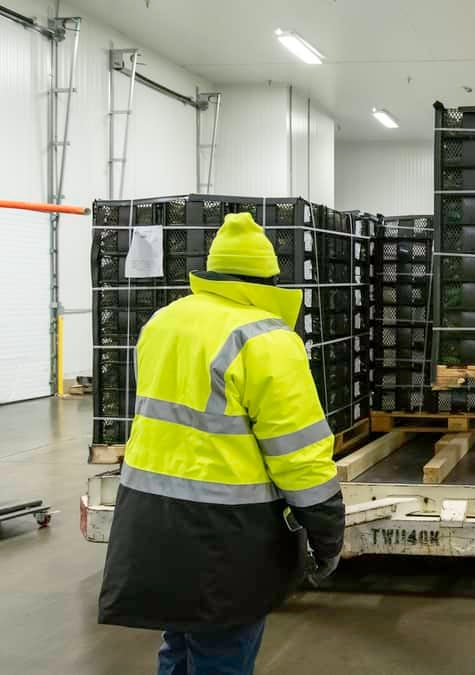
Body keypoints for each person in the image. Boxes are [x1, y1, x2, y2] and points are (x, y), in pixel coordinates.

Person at [99, 212, 345, 675]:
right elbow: (300, 457)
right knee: (222, 655)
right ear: (269, 279)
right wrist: (327, 535)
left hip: (150, 521)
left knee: (178, 643)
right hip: (224, 538)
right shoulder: (267, 340)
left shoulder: (162, 323)